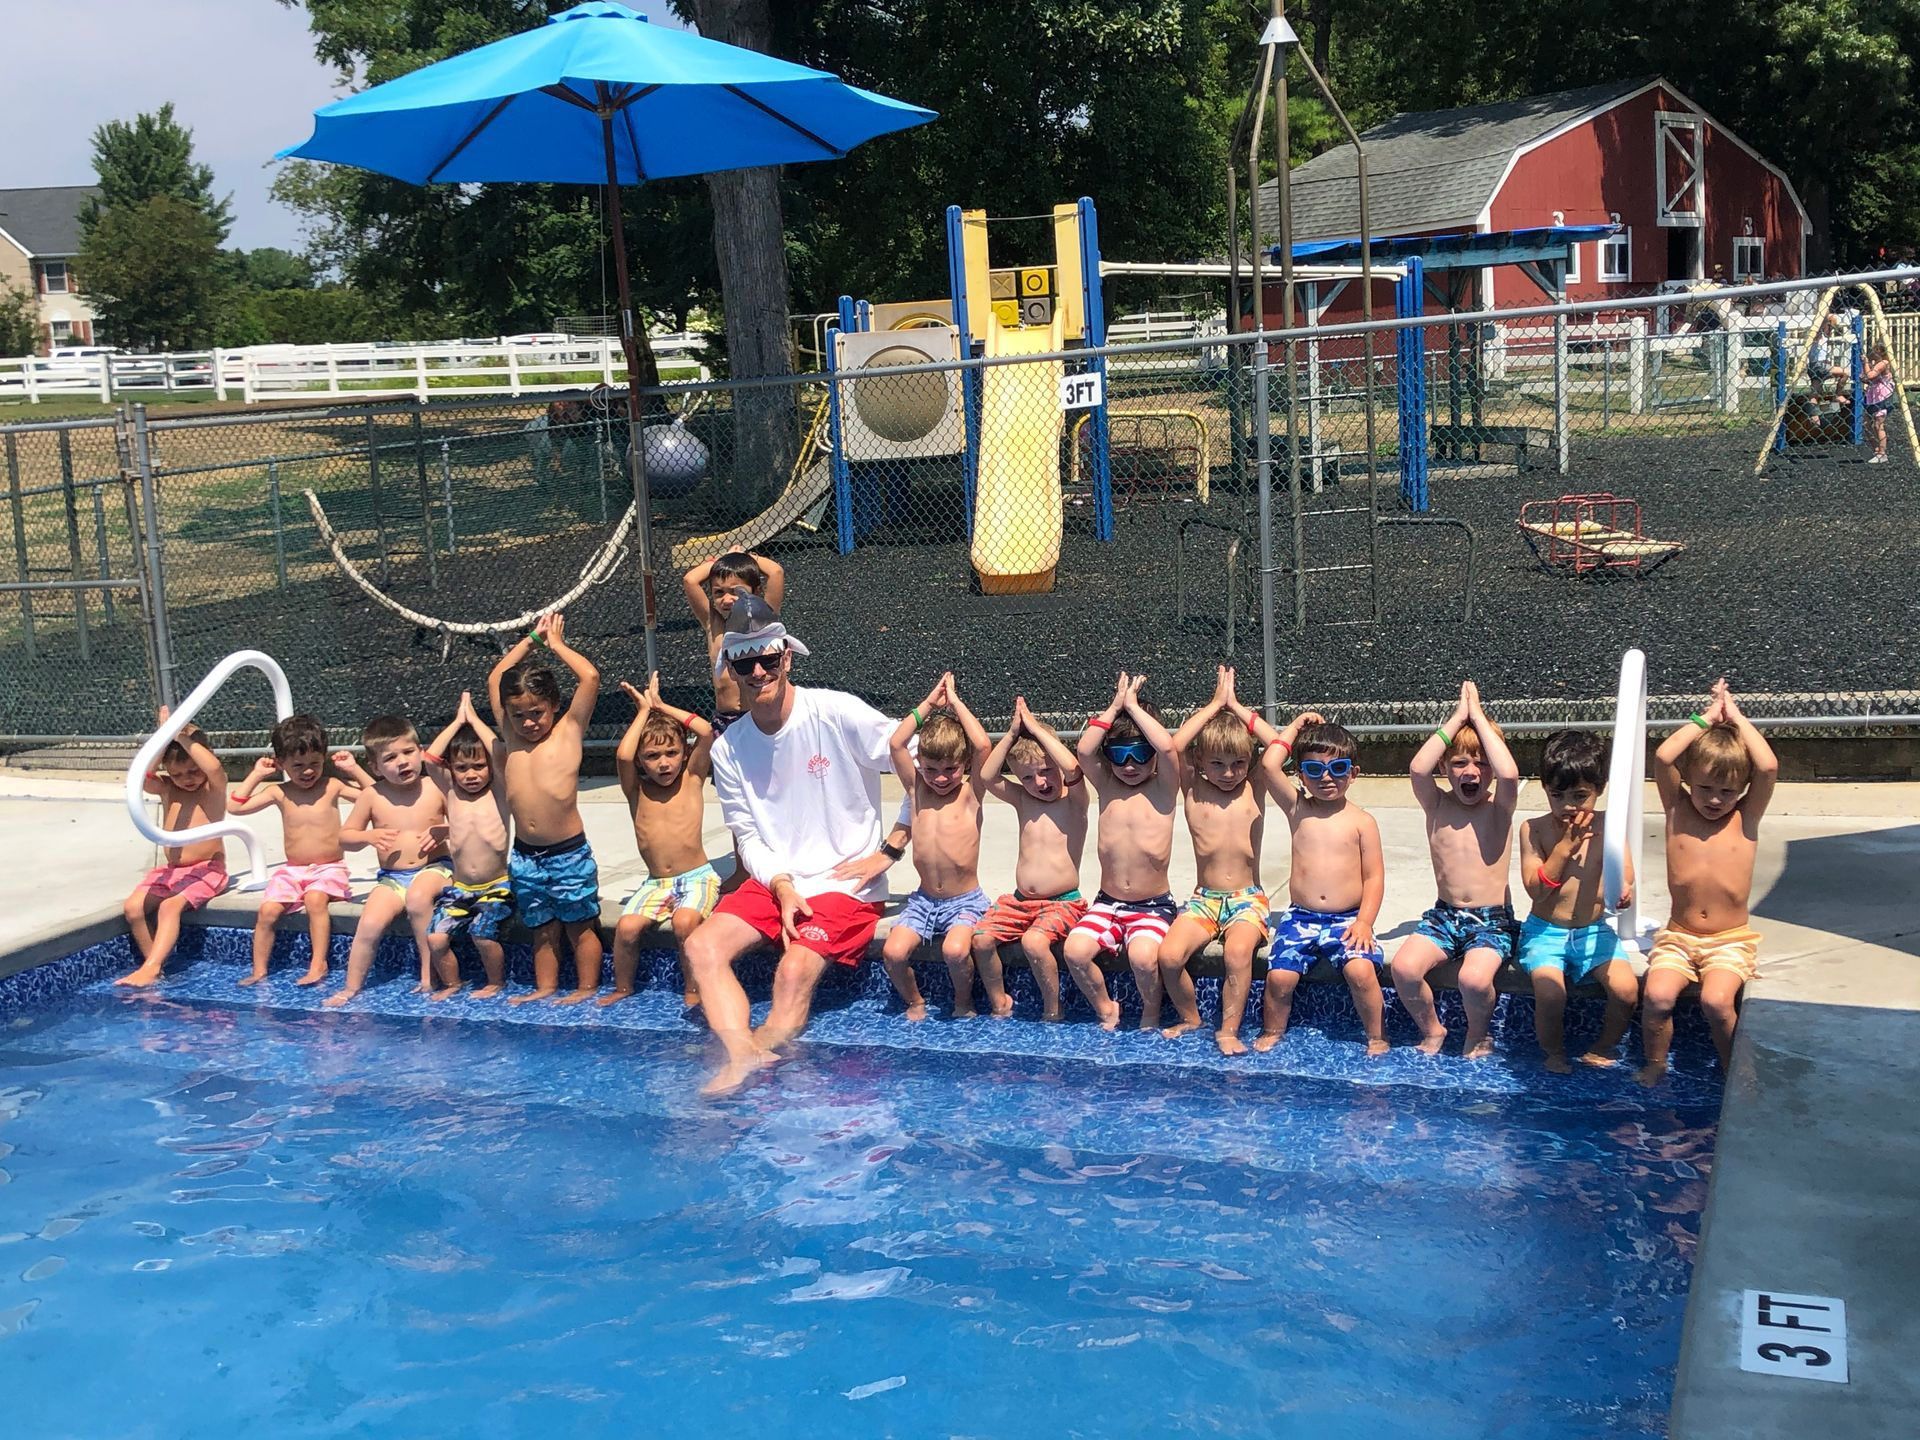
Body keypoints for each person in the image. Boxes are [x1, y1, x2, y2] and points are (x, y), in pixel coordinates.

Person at [683, 596, 910, 1094]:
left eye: (769, 657)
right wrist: (782, 884)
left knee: (792, 972)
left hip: (844, 884)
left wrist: (893, 846)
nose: (760, 669)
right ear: (732, 669)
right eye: (747, 661)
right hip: (775, 881)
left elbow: (922, 762)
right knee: (702, 945)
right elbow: (747, 834)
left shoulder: (835, 711)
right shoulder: (728, 748)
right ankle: (744, 1055)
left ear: (787, 656)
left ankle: (746, 1062)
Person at [1638, 679, 1778, 1086]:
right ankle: (1656, 1064)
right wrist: (1705, 718)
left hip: (1729, 939)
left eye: (1726, 791)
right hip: (1679, 936)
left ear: (1742, 791)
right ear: (1689, 782)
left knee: (1717, 1002)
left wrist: (1734, 716)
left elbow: (1767, 766)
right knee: (1657, 997)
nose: (1715, 799)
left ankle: (1734, 1069)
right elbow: (1665, 756)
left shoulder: (1745, 818)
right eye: (1705, 788)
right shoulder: (1676, 809)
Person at [1390, 681, 1522, 1058]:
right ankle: (1433, 1029)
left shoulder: (1499, 808)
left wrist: (1478, 718)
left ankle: (1479, 1034)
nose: (1472, 771)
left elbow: (1510, 774)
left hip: (1491, 920)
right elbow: (1418, 767)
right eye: (1460, 762)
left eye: (1481, 763)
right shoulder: (1436, 804)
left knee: (1474, 979)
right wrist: (1456, 719)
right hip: (1445, 916)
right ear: (1446, 767)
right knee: (1404, 968)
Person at [487, 611, 604, 1005]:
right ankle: (546, 988)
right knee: (542, 928)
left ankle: (586, 989)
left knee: (579, 926)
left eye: (536, 712)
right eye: (518, 715)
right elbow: (496, 677)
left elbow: (589, 679)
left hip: (567, 853)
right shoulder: (510, 735)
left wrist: (556, 646)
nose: (528, 722)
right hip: (525, 857)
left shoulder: (569, 731)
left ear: (554, 705)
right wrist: (530, 640)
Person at [1256, 712, 1389, 1054]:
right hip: (1301, 917)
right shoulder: (1298, 808)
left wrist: (1364, 922)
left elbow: (1374, 877)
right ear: (1301, 775)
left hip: (1348, 919)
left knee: (1361, 973)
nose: (1326, 778)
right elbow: (1270, 765)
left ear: (1353, 774)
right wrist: (1297, 726)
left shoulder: (1362, 822)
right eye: (1314, 770)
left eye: (1338, 769)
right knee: (1279, 978)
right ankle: (1273, 1032)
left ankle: (1376, 1036)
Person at [1157, 667, 1274, 1056]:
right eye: (1218, 763)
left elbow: (1275, 746)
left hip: (1246, 898)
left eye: (1238, 763)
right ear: (1201, 762)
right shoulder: (1191, 787)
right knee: (1169, 957)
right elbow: (1174, 746)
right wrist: (1213, 706)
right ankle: (1192, 1018)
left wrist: (1237, 707)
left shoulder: (1255, 786)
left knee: (1237, 954)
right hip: (1204, 899)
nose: (1229, 773)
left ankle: (1228, 1029)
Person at [1516, 731, 1640, 1073]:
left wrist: (1625, 889)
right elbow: (1535, 889)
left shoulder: (1611, 828)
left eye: (1580, 796)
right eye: (1558, 795)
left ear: (1599, 789)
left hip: (1593, 930)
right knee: (1552, 994)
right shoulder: (1534, 830)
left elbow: (1625, 872)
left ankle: (1604, 1046)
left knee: (1627, 990)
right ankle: (1553, 1051)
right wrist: (1564, 849)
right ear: (1544, 789)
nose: (1569, 806)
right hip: (1546, 931)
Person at [1061, 673, 1180, 1030]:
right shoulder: (1108, 785)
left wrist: (1134, 707)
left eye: (1140, 755)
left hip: (1152, 905)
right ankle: (1104, 1006)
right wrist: (1116, 706)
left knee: (1144, 958)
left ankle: (1151, 1011)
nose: (1130, 765)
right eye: (1119, 755)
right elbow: (1083, 749)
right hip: (1107, 902)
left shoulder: (1164, 787)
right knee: (1075, 951)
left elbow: (1170, 748)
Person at [603, 673, 718, 1009]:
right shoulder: (637, 791)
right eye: (653, 756)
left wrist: (662, 705)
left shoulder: (692, 778)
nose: (664, 762)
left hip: (697, 876)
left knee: (684, 923)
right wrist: (642, 712)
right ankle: (623, 988)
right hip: (656, 883)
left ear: (684, 753)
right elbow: (623, 757)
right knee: (625, 928)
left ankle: (694, 989)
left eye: (671, 752)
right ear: (642, 761)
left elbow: (707, 732)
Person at [881, 674, 993, 1020]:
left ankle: (963, 1002)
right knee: (893, 953)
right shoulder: (917, 791)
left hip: (966, 900)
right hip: (924, 900)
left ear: (963, 765)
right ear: (920, 766)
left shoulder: (971, 793)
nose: (941, 778)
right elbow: (897, 744)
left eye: (950, 769)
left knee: (956, 951)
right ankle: (915, 1001)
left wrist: (956, 703)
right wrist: (929, 704)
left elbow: (984, 746)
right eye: (931, 769)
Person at [970, 696, 1088, 1021]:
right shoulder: (1024, 800)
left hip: (1063, 902)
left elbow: (1074, 769)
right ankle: (1000, 1002)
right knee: (980, 940)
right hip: (1020, 902)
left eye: (1047, 771)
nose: (1040, 782)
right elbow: (987, 777)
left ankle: (1053, 1008)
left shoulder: (1075, 801)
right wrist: (1010, 735)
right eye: (1027, 777)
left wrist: (1037, 729)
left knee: (1035, 944)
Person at [324, 716, 451, 1007]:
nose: (402, 762)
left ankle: (427, 977)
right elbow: (345, 838)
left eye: (408, 752)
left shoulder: (435, 787)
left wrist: (445, 832)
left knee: (419, 900)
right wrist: (369, 837)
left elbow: (466, 826)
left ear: (421, 752)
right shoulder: (372, 795)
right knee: (369, 924)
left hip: (436, 868)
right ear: (375, 767)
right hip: (392, 878)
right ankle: (351, 987)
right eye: (390, 758)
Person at [229, 714, 361, 987]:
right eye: (298, 765)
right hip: (293, 871)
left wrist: (354, 770)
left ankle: (318, 963)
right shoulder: (279, 792)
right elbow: (236, 806)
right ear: (281, 764)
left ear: (324, 757)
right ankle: (259, 969)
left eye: (314, 763)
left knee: (314, 900)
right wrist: (256, 775)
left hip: (329, 868)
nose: (308, 771)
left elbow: (374, 796)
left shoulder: (332, 786)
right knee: (267, 911)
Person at [116, 709, 229, 987]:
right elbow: (143, 775)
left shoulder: (212, 790)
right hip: (172, 870)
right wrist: (164, 738)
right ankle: (153, 966)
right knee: (133, 908)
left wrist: (181, 734)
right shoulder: (168, 789)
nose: (187, 778)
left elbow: (214, 769)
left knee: (169, 908)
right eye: (178, 774)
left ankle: (152, 967)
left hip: (207, 869)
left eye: (193, 770)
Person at [421, 693, 514, 1000]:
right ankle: (452, 984)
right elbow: (430, 758)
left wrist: (474, 719)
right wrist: (457, 721)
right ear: (452, 769)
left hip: (497, 887)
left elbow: (499, 752)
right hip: (460, 888)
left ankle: (495, 982)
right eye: (462, 768)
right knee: (435, 938)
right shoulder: (450, 791)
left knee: (481, 933)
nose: (471, 774)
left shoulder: (498, 791)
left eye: (478, 766)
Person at [683, 550, 786, 733]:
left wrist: (745, 556)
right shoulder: (714, 624)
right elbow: (690, 580)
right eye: (719, 592)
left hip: (762, 716)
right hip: (726, 720)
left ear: (756, 592)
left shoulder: (763, 617)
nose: (727, 599)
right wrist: (722, 559)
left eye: (737, 591)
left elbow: (775, 572)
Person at [1863, 338, 1895, 463]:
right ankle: (1877, 449)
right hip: (1873, 395)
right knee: (1866, 424)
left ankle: (1882, 453)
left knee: (1878, 424)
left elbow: (1870, 375)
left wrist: (1865, 363)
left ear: (1881, 352)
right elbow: (1868, 378)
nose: (1872, 352)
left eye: (1875, 350)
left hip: (1882, 396)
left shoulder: (1884, 363)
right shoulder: (1875, 363)